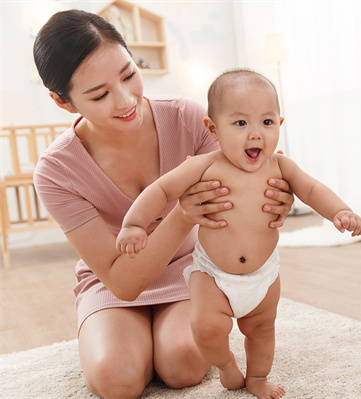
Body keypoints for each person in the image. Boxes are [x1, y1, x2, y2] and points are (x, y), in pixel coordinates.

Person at [31, 10, 294, 399]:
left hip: (193, 270)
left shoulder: (189, 120)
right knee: (115, 380)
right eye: (100, 94)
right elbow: (123, 282)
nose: (125, 100)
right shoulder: (56, 172)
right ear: (62, 101)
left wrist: (277, 198)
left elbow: (248, 184)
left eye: (128, 73)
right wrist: (183, 215)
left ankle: (157, 338)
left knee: (183, 364)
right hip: (115, 283)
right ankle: (118, 339)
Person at [116, 69, 361, 399]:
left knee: (262, 330)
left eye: (266, 122)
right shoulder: (203, 166)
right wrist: (134, 223)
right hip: (213, 275)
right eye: (240, 123)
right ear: (213, 129)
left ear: (280, 123)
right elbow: (162, 190)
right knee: (206, 328)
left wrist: (340, 211)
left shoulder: (282, 167)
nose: (256, 135)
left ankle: (258, 378)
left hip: (263, 275)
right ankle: (227, 366)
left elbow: (313, 188)